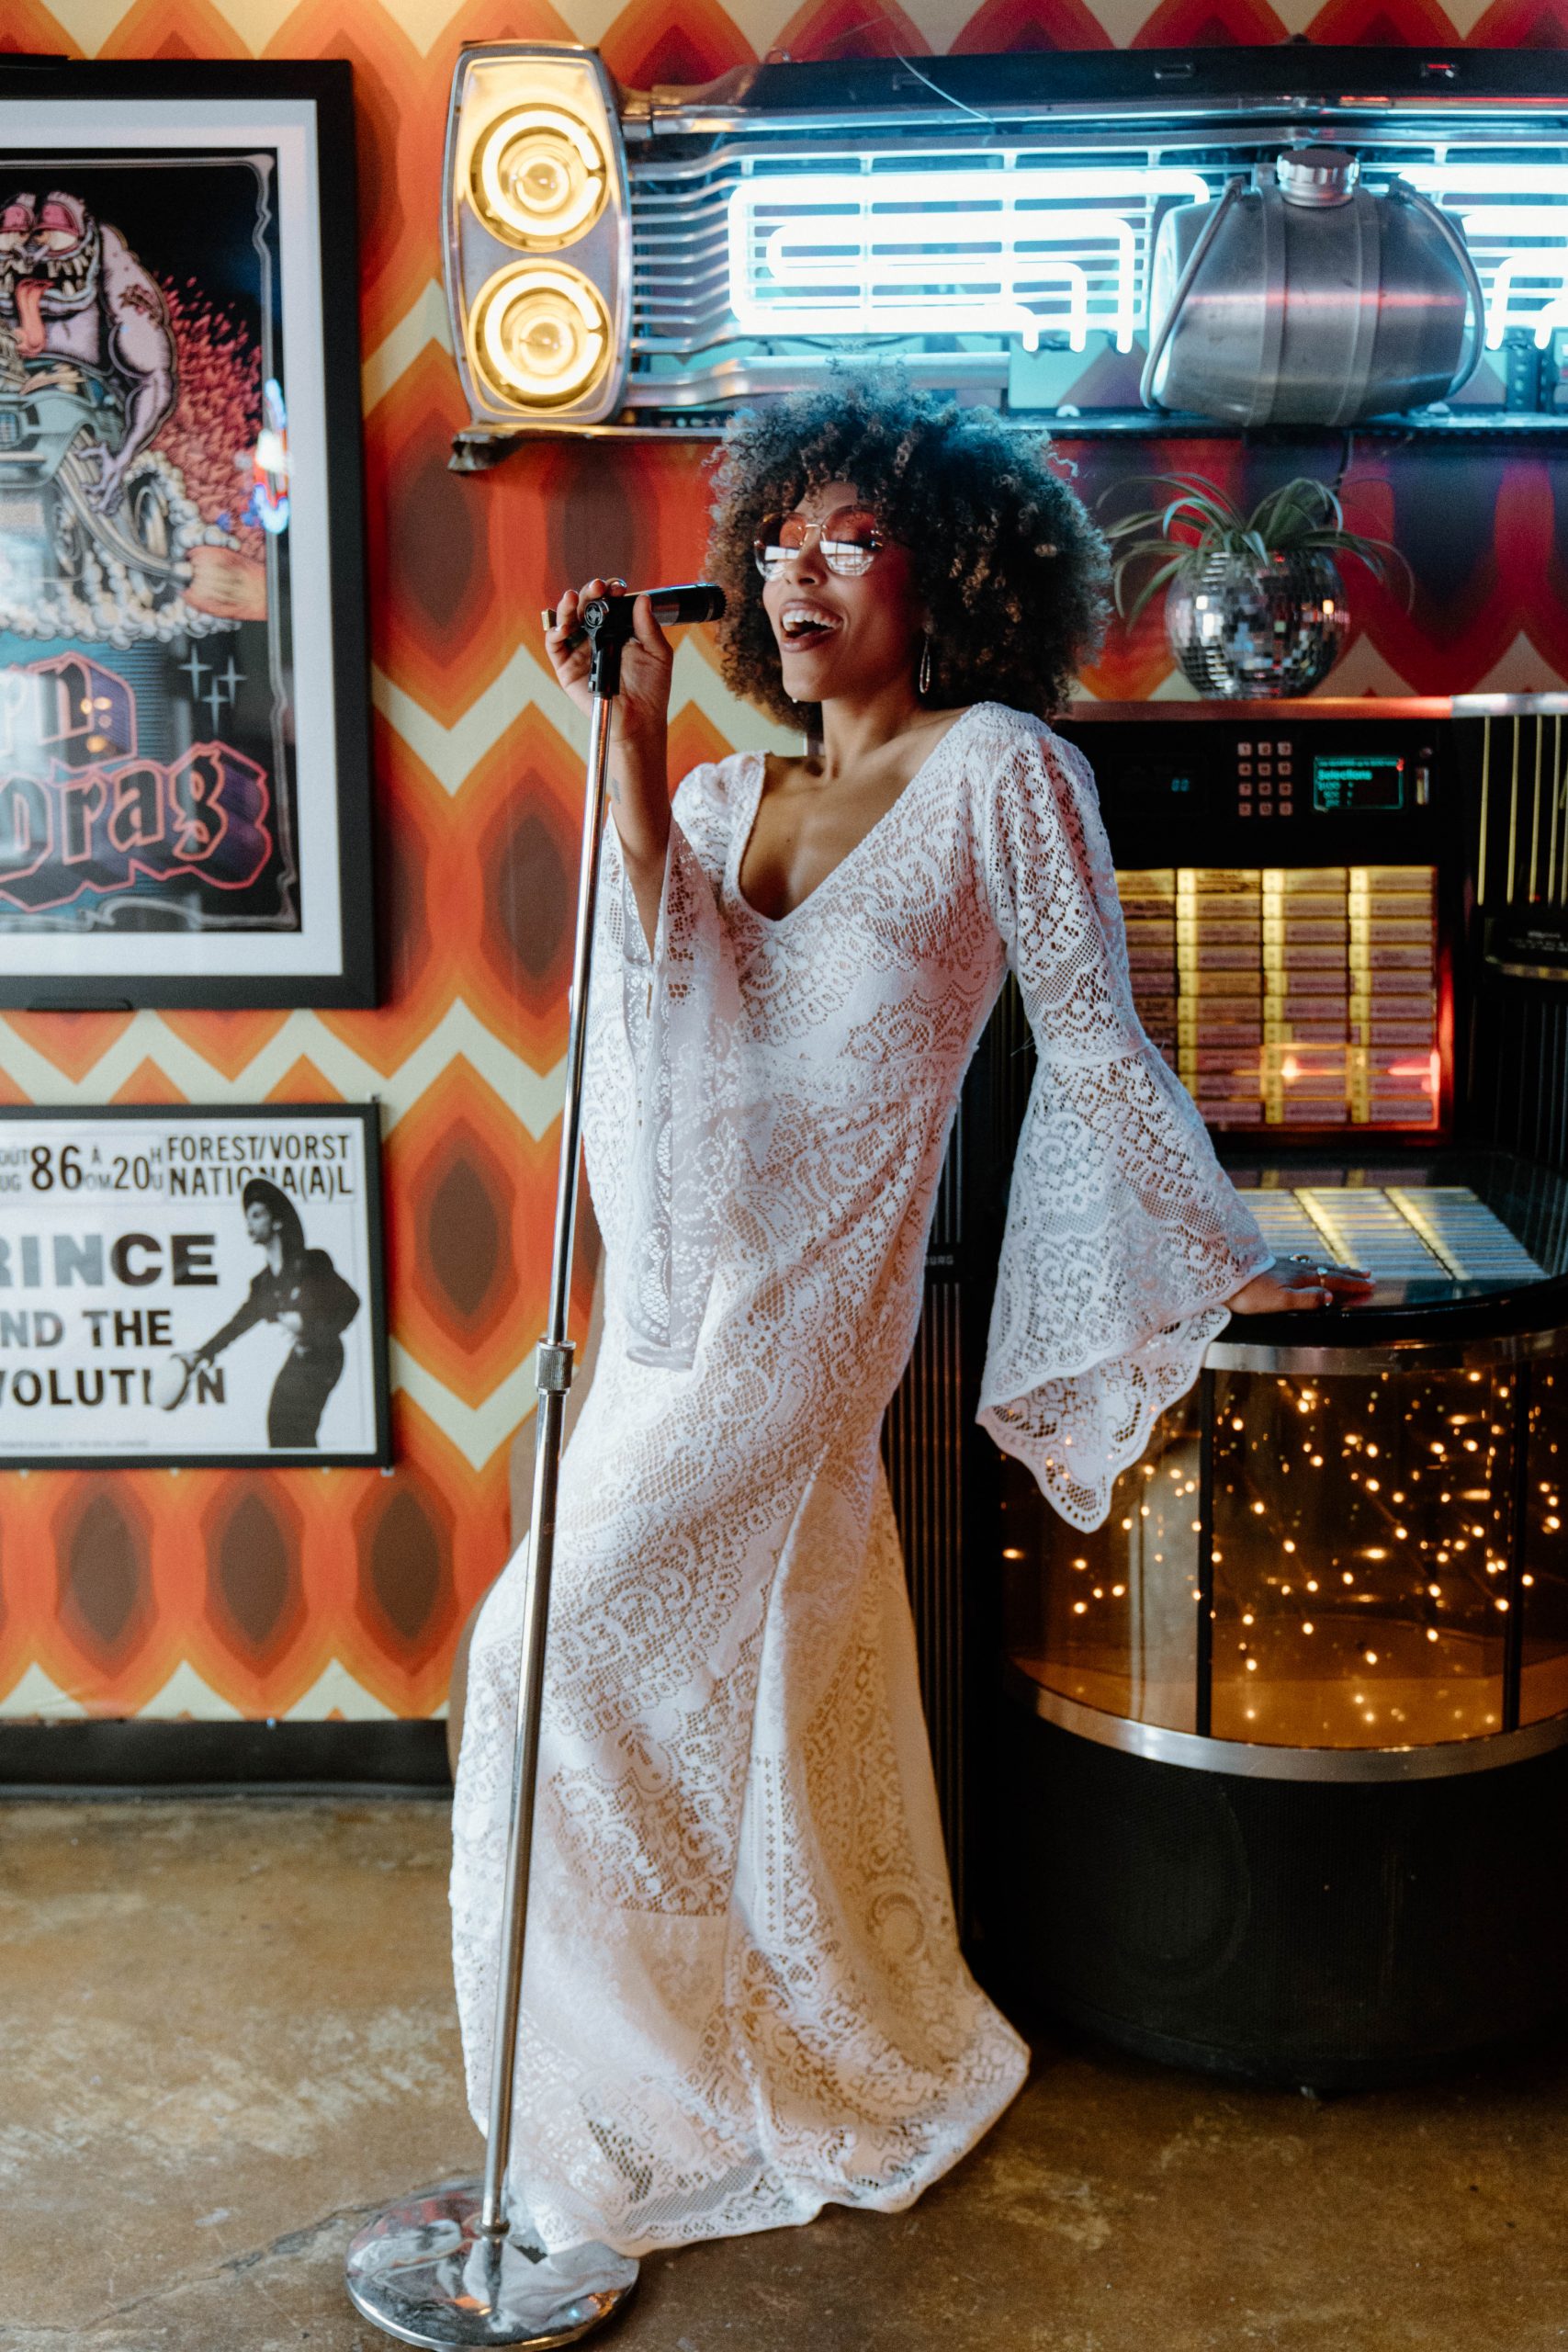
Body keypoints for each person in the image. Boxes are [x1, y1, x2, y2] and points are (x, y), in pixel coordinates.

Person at [449, 379, 1373, 2262]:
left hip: (806, 1326)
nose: (799, 572)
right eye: (777, 539)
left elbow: (1093, 1040)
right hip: (672, 1312)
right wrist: (627, 734)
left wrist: (1231, 1248)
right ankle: (726, 2042)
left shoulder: (998, 770)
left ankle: (640, 2090)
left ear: (947, 570)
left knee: (536, 1649)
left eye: (849, 537)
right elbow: (657, 1007)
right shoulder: (715, 792)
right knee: (725, 1680)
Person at [186, 1176, 360, 1447]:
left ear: (277, 1221)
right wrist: (202, 1353)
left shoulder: (313, 1262)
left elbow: (350, 1303)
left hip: (326, 1355)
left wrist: (308, 1326)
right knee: (279, 1425)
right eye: (248, 1218)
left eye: (257, 1215)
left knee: (296, 1428)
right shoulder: (264, 1284)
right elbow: (238, 1324)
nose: (249, 1224)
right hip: (301, 1357)